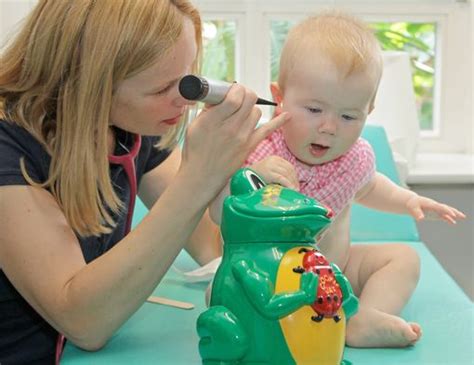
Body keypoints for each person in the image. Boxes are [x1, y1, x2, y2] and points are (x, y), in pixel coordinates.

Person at [0, 0, 290, 363]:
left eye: (189, 80)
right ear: (86, 81)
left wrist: (263, 208)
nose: (185, 100)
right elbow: (84, 322)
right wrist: (200, 177)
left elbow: (212, 245)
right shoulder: (8, 148)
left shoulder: (129, 129)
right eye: (160, 90)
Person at [210, 11, 465, 348]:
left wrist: (409, 201)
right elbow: (219, 212)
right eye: (314, 110)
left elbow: (371, 186)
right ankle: (301, 321)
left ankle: (359, 319)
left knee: (403, 259)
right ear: (279, 99)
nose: (329, 127)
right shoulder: (260, 150)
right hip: (274, 279)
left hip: (336, 273)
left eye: (348, 116)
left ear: (368, 112)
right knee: (223, 291)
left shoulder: (353, 158)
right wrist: (252, 177)